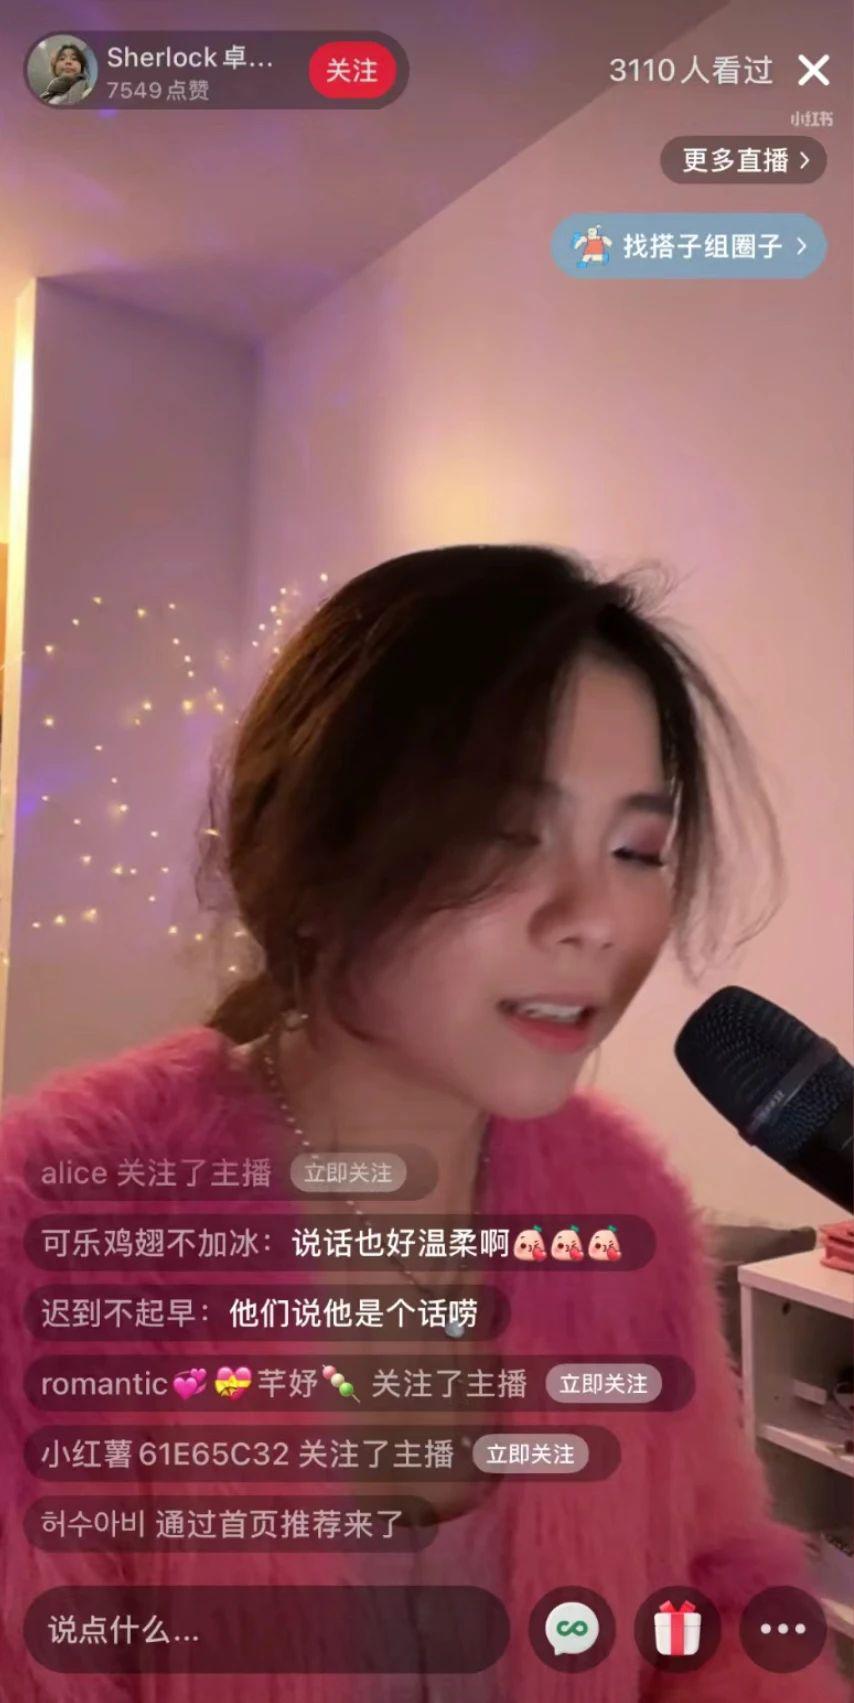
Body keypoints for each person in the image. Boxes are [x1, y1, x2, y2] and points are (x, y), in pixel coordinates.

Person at [0, 543, 846, 1700]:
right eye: (502, 834)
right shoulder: (60, 1218)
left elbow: (711, 1589)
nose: (596, 917)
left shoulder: (625, 1212)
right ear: (317, 853)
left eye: (635, 850)